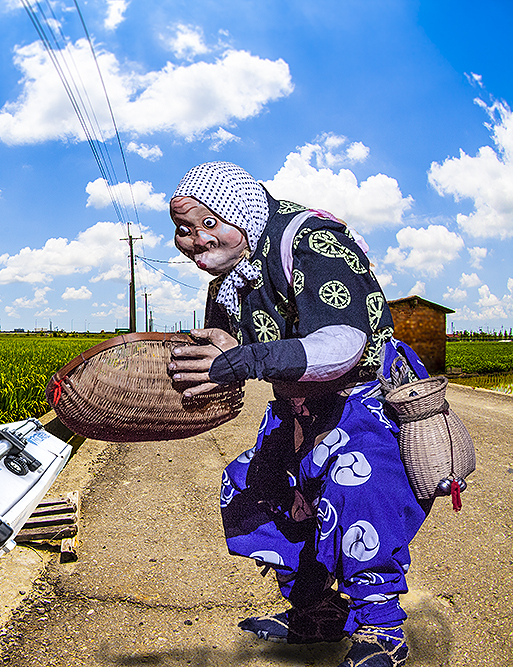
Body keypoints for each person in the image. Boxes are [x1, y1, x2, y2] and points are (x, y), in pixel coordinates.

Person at [165, 161, 429, 667]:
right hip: (296, 406)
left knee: (355, 496)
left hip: (360, 401)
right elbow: (231, 341)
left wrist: (247, 360)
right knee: (257, 487)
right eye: (183, 230)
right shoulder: (227, 279)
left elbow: (342, 343)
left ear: (239, 210)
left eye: (209, 223)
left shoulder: (311, 239)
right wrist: (219, 349)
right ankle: (316, 612)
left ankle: (382, 634)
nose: (196, 240)